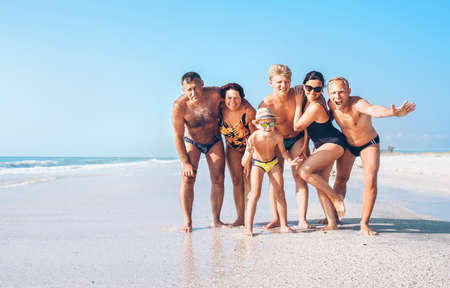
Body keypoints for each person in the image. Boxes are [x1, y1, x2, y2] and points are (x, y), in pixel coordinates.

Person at [327, 77, 416, 235]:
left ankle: (364, 223)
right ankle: (334, 217)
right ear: (328, 93)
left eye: (341, 92)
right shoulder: (330, 104)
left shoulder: (358, 103)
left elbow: (374, 109)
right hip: (348, 144)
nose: (337, 96)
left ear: (349, 92)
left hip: (369, 143)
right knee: (341, 180)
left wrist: (392, 112)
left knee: (370, 180)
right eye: (333, 92)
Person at [172, 72, 228, 232]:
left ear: (202, 84)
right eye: (188, 90)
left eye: (196, 88)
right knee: (188, 178)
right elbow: (178, 135)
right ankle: (188, 222)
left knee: (219, 179)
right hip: (192, 142)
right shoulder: (179, 106)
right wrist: (185, 162)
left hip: (215, 140)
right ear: (183, 90)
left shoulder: (216, 94)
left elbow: (234, 97)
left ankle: (216, 219)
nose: (193, 93)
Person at [258, 64, 311, 229]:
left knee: (300, 175)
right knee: (275, 179)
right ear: (271, 83)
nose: (283, 85)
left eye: (286, 81)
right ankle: (276, 218)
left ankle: (302, 219)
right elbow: (260, 131)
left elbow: (309, 118)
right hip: (276, 140)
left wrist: (305, 144)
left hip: (297, 138)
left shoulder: (298, 93)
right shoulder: (266, 104)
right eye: (279, 82)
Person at [293, 71, 347, 230]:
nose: (312, 92)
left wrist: (297, 104)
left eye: (317, 89)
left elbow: (297, 126)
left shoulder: (315, 105)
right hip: (322, 144)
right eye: (309, 88)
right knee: (320, 183)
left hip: (333, 142)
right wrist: (305, 147)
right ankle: (332, 223)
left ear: (321, 90)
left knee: (304, 172)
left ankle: (336, 198)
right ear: (304, 86)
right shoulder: (311, 101)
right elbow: (309, 130)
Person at [241, 108, 300, 236]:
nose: (268, 127)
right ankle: (248, 228)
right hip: (258, 164)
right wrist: (249, 152)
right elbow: (243, 162)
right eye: (263, 124)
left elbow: (284, 153)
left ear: (274, 123)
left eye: (271, 123)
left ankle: (284, 225)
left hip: (273, 163)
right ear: (257, 125)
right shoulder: (254, 138)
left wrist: (290, 161)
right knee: (254, 194)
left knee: (280, 192)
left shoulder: (278, 136)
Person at [219, 83, 256, 226]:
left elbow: (254, 136)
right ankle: (240, 217)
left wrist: (249, 155)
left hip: (249, 147)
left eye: (236, 98)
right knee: (236, 181)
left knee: (247, 180)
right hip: (232, 148)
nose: (232, 101)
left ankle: (248, 217)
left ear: (242, 98)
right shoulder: (221, 109)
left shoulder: (248, 111)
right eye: (229, 98)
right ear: (224, 98)